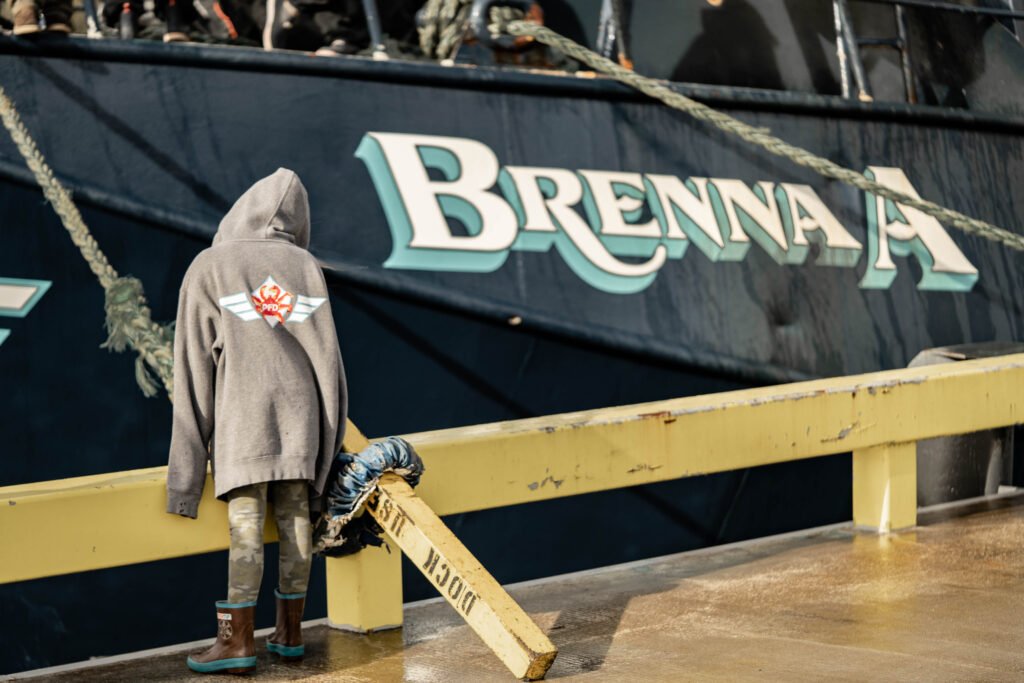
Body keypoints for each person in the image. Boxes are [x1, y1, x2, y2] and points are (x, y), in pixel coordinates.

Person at [166, 168, 347, 675]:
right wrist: (326, 451)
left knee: (245, 528)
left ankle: (236, 641)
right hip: (302, 425)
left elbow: (192, 371)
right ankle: (289, 634)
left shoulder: (211, 265)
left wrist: (183, 482)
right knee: (295, 523)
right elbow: (331, 367)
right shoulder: (306, 267)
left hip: (244, 422)